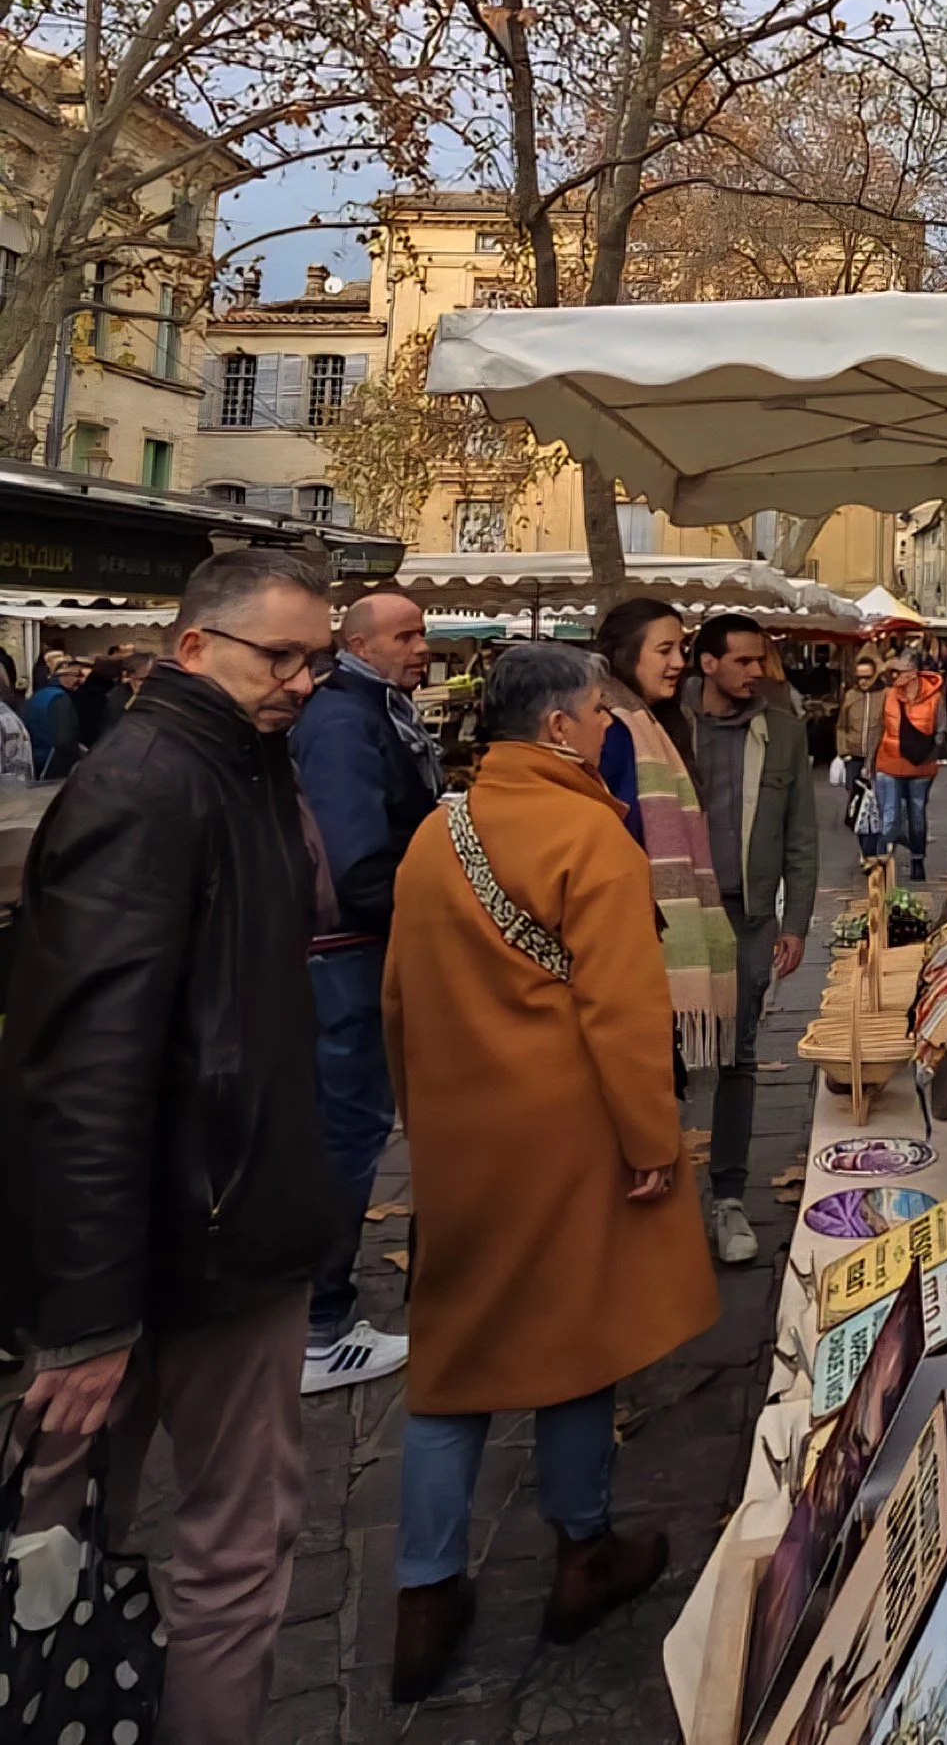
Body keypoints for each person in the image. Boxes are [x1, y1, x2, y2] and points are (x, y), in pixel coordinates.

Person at [0, 547, 342, 1745]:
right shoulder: (154, 780)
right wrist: (91, 1316)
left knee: (138, 1542)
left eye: (320, 657)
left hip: (209, 1221)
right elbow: (83, 1068)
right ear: (193, 648)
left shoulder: (235, 760)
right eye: (281, 655)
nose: (305, 680)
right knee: (195, 1551)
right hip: (191, 1236)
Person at [383, 643, 718, 1702]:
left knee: (450, 1363)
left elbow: (397, 998)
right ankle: (585, 1554)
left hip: (460, 1133)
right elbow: (623, 1017)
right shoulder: (592, 836)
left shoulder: (438, 833)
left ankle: (424, 1595)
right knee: (579, 1342)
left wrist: (426, 1113)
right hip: (571, 1133)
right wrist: (652, 1143)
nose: (610, 727)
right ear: (561, 729)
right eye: (598, 712)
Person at [291, 590, 443, 1394]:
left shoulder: (374, 709)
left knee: (347, 1128)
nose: (421, 647)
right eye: (405, 635)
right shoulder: (347, 719)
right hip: (348, 954)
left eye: (421, 632)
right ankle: (320, 1326)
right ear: (357, 643)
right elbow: (357, 861)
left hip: (353, 949)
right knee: (347, 1132)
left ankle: (319, 1314)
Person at [689, 612, 819, 1266]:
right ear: (707, 663)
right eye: (743, 661)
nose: (757, 672)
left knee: (738, 1057)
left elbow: (802, 833)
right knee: (666, 1059)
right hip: (677, 918)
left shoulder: (782, 730)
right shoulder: (666, 725)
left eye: (759, 661)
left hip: (748, 919)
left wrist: (796, 922)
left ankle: (728, 1197)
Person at [593, 596, 739, 1078]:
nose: (680, 662)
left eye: (683, 647)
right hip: (628, 941)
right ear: (626, 653)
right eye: (665, 650)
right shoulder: (612, 727)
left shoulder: (652, 721)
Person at [874, 649, 947, 884]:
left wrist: (933, 754)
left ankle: (917, 858)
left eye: (901, 672)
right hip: (889, 760)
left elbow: (942, 730)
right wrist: (868, 763)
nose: (896, 677)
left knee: (916, 815)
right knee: (889, 816)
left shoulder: (935, 697)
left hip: (921, 766)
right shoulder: (888, 695)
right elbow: (877, 729)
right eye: (894, 673)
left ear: (914, 673)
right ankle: (883, 863)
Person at [835, 649, 888, 858]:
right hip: (854, 757)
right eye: (859, 677)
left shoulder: (884, 695)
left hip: (878, 758)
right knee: (855, 807)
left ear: (875, 674)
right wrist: (843, 751)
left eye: (867, 677)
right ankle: (865, 848)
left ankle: (871, 850)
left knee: (875, 805)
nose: (863, 682)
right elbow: (841, 726)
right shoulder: (851, 696)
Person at [24, 649, 86, 774]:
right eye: (75, 675)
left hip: (34, 758)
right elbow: (64, 739)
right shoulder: (60, 698)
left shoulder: (37, 695)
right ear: (63, 676)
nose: (78, 680)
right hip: (52, 763)